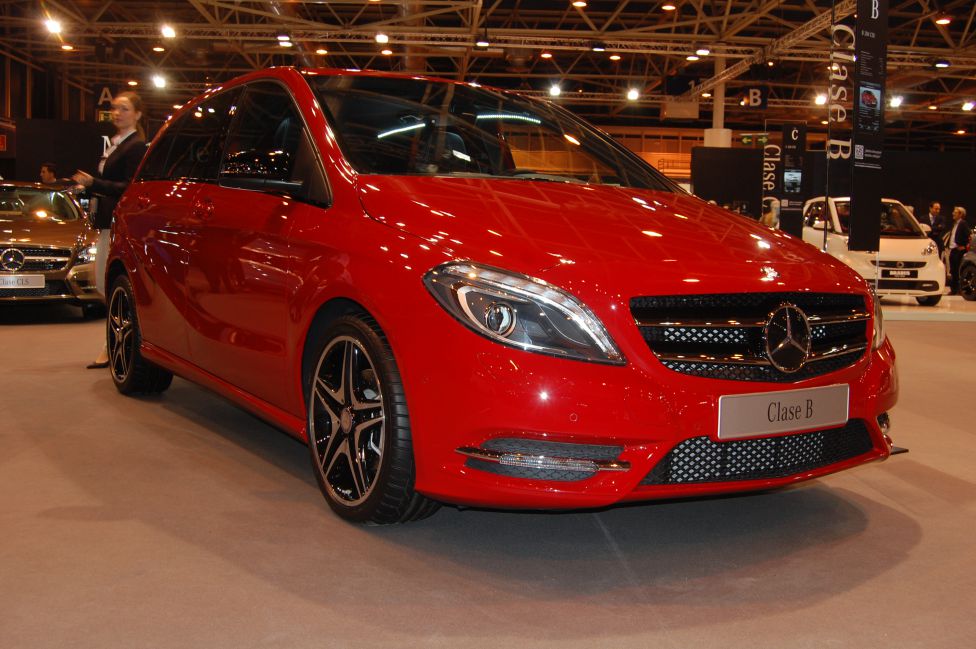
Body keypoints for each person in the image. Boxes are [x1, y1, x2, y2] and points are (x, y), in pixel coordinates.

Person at [72, 91, 147, 369]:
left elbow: (129, 187)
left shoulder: (135, 146)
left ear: (138, 114)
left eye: (125, 109)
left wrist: (94, 184)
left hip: (118, 220)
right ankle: (115, 342)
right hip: (105, 221)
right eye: (115, 108)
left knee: (110, 285)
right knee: (105, 284)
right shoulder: (116, 144)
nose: (117, 113)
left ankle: (114, 344)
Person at [947, 206, 971, 295]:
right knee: (953, 270)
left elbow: (969, 236)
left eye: (955, 212)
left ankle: (959, 290)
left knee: (957, 270)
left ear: (960, 214)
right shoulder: (954, 224)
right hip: (953, 250)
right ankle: (953, 290)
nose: (953, 213)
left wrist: (964, 246)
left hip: (959, 251)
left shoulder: (963, 223)